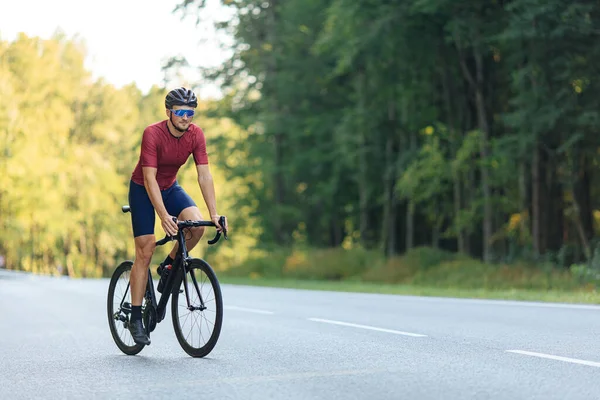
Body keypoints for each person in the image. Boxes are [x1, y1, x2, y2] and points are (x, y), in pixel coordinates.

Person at [126, 87, 227, 345]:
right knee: (145, 249)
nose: (186, 117)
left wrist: (214, 214)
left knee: (197, 225)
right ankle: (136, 317)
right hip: (143, 190)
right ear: (169, 112)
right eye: (181, 112)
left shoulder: (196, 135)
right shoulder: (153, 133)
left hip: (170, 187)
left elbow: (204, 174)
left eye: (190, 113)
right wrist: (163, 216)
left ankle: (169, 265)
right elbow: (149, 178)